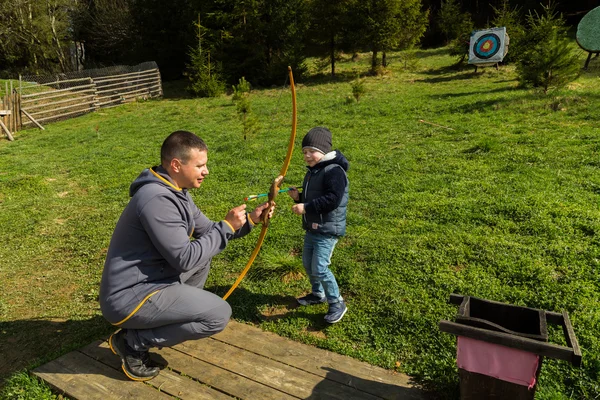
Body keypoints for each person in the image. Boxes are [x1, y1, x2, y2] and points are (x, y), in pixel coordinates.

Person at [99, 130, 273, 381]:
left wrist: (250, 221)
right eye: (200, 165)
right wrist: (226, 226)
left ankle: (153, 323)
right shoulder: (157, 199)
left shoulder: (176, 191)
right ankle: (133, 341)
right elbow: (185, 259)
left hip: (152, 281)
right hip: (128, 298)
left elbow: (209, 232)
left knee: (205, 255)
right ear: (176, 165)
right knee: (217, 315)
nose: (206, 171)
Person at [287, 127, 349, 324]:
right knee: (308, 263)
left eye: (311, 151)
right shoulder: (314, 171)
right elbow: (316, 196)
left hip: (327, 229)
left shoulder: (334, 171)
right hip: (313, 227)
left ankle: (336, 302)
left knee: (320, 267)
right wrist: (300, 197)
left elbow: (332, 199)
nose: (306, 156)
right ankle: (317, 293)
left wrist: (305, 206)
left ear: (323, 151)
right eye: (304, 152)